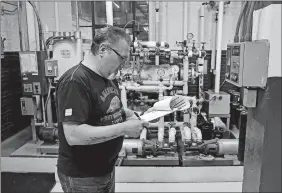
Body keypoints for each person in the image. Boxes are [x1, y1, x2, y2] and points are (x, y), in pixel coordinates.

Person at [55, 26, 149, 193]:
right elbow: (74, 135)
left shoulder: (108, 78)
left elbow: (109, 109)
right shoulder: (75, 81)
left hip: (105, 170)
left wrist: (129, 115)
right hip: (82, 177)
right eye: (122, 58)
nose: (123, 65)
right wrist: (124, 128)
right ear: (103, 50)